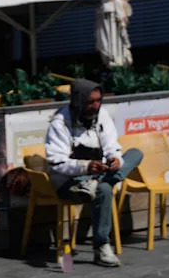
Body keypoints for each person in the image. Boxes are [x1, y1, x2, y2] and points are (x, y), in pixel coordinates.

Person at [45, 78, 143, 267]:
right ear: (78, 101)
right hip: (70, 182)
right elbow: (57, 163)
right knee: (105, 189)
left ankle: (98, 181)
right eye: (90, 102)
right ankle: (102, 248)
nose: (96, 105)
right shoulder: (60, 123)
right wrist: (85, 166)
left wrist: (115, 159)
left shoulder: (102, 114)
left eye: (98, 100)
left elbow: (112, 145)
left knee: (135, 154)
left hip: (97, 173)